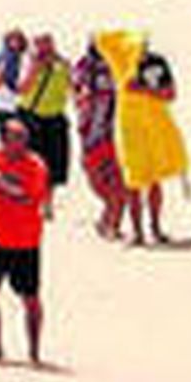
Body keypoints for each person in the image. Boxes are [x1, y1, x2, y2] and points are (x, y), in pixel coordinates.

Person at [0, 113, 50, 364]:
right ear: (4, 139)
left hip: (25, 241)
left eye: (24, 136)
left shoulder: (36, 165)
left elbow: (23, 196)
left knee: (30, 300)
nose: (22, 141)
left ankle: (34, 352)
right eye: (16, 136)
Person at [96, 30, 188, 245]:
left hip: (156, 123)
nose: (141, 49)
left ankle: (155, 228)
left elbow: (170, 94)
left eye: (143, 44)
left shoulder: (156, 62)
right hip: (129, 127)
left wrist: (144, 90)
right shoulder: (121, 63)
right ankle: (138, 233)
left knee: (154, 179)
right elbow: (101, 38)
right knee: (133, 180)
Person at [72, 37, 127, 238]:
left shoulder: (117, 63)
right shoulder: (84, 67)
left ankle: (112, 224)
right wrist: (84, 95)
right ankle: (108, 221)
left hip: (114, 134)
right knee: (104, 187)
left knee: (121, 189)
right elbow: (78, 92)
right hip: (93, 137)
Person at [17, 32, 72, 209]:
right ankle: (34, 198)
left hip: (55, 116)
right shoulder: (28, 63)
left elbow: (72, 87)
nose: (45, 47)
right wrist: (36, 69)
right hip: (33, 117)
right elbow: (22, 89)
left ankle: (48, 201)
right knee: (33, 161)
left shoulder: (62, 64)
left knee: (54, 163)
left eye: (48, 42)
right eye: (40, 43)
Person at [0, 28, 28, 122]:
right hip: (2, 104)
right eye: (13, 40)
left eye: (18, 41)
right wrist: (3, 68)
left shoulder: (24, 60)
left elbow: (22, 86)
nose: (15, 44)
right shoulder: (0, 58)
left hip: (18, 105)